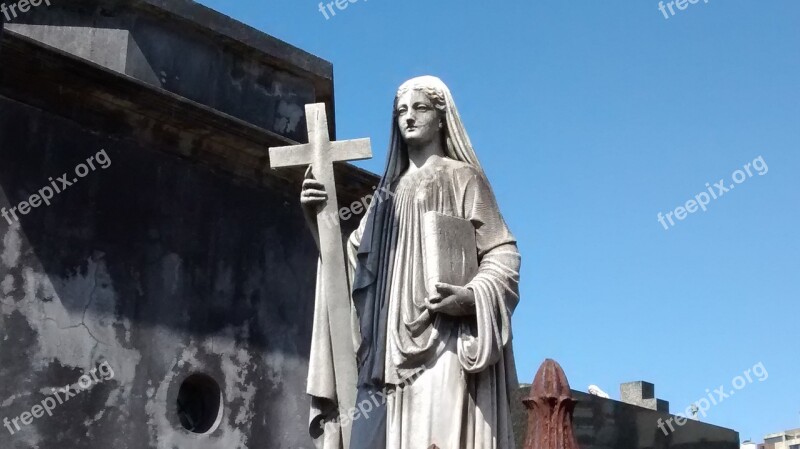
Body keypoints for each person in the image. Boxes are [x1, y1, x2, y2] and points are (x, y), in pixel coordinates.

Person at [302, 76, 521, 449]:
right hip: (385, 352)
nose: (409, 117)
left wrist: (470, 297)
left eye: (419, 108)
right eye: (401, 110)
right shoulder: (385, 195)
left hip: (443, 339)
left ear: (441, 117)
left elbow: (503, 254)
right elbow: (348, 268)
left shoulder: (462, 178)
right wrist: (318, 216)